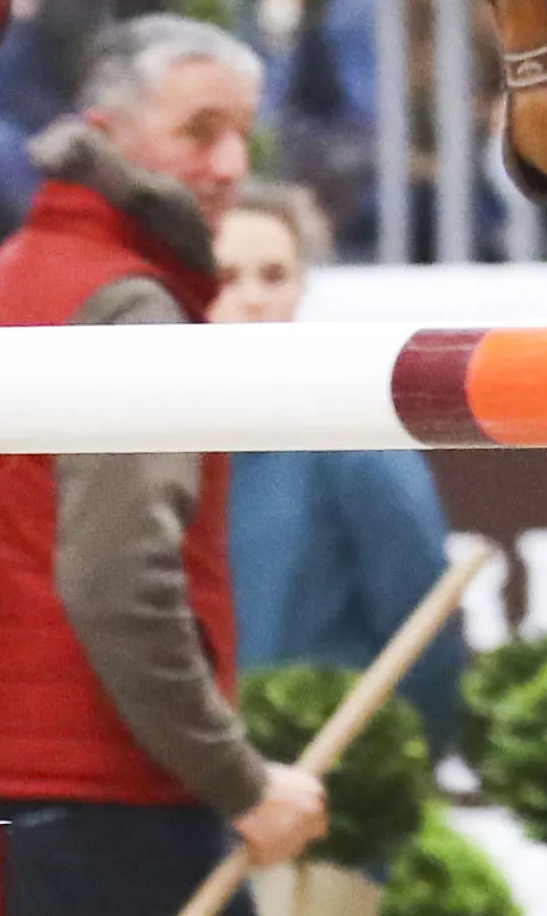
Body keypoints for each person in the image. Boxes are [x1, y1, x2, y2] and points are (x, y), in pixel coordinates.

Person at [0, 15, 326, 913]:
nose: (227, 167)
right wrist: (238, 778)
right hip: (114, 808)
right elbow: (120, 579)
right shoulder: (130, 307)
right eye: (197, 132)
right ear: (105, 134)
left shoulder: (5, 277)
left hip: (4, 792)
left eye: (240, 135)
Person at [213, 182, 469, 745]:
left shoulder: (353, 435)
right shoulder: (143, 436)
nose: (253, 299)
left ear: (303, 286)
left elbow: (420, 626)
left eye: (274, 276)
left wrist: (394, 769)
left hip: (332, 781)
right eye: (226, 277)